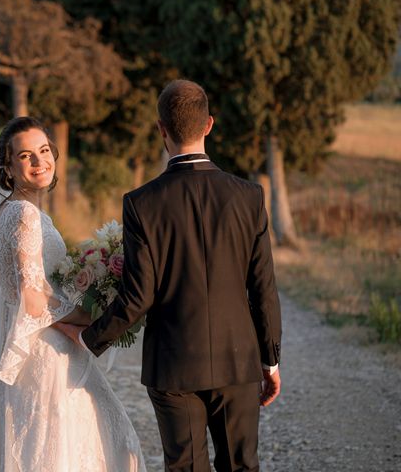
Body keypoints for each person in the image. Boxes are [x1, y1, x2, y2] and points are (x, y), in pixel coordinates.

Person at [58, 80, 282, 472]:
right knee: (242, 465)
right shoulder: (249, 196)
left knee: (184, 467)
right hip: (238, 360)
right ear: (209, 125)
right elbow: (263, 287)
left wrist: (89, 336)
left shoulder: (141, 203)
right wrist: (270, 361)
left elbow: (137, 295)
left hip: (173, 363)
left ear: (161, 128)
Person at [0, 116, 146, 471]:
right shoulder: (24, 215)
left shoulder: (4, 214)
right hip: (48, 353)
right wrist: (87, 318)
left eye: (44, 150)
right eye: (25, 156)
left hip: (29, 347)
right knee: (73, 444)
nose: (40, 162)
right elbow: (33, 297)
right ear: (8, 167)